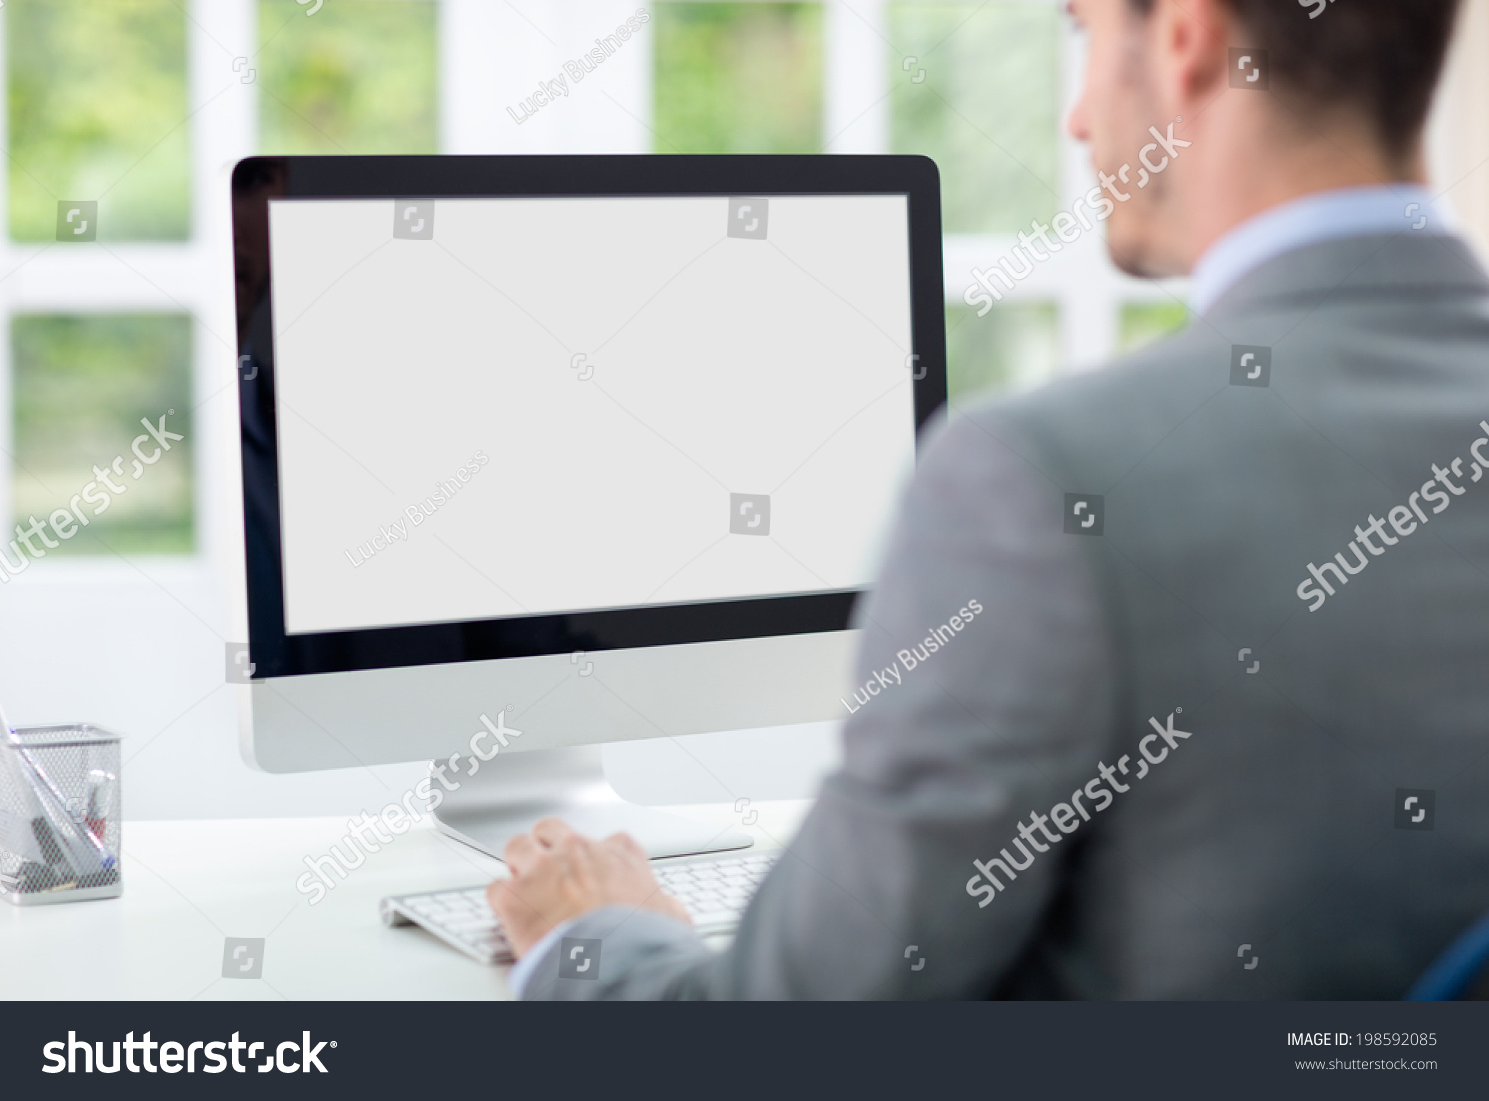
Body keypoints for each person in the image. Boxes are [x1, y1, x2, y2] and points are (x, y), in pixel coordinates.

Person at [489, 0, 1489, 999]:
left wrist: (589, 934)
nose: (1079, 117)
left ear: (1186, 39)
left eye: (1085, 35)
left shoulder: (1046, 479)